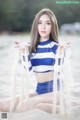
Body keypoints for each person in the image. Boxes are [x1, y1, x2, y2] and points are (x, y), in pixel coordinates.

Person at [0, 8, 67, 113]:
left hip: (57, 91)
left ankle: (67, 105)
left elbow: (58, 70)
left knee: (26, 107)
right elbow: (28, 69)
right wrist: (24, 51)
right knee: (3, 106)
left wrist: (61, 52)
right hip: (39, 91)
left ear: (52, 26)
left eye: (48, 23)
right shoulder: (30, 47)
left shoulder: (56, 47)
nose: (43, 27)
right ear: (36, 25)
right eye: (40, 23)